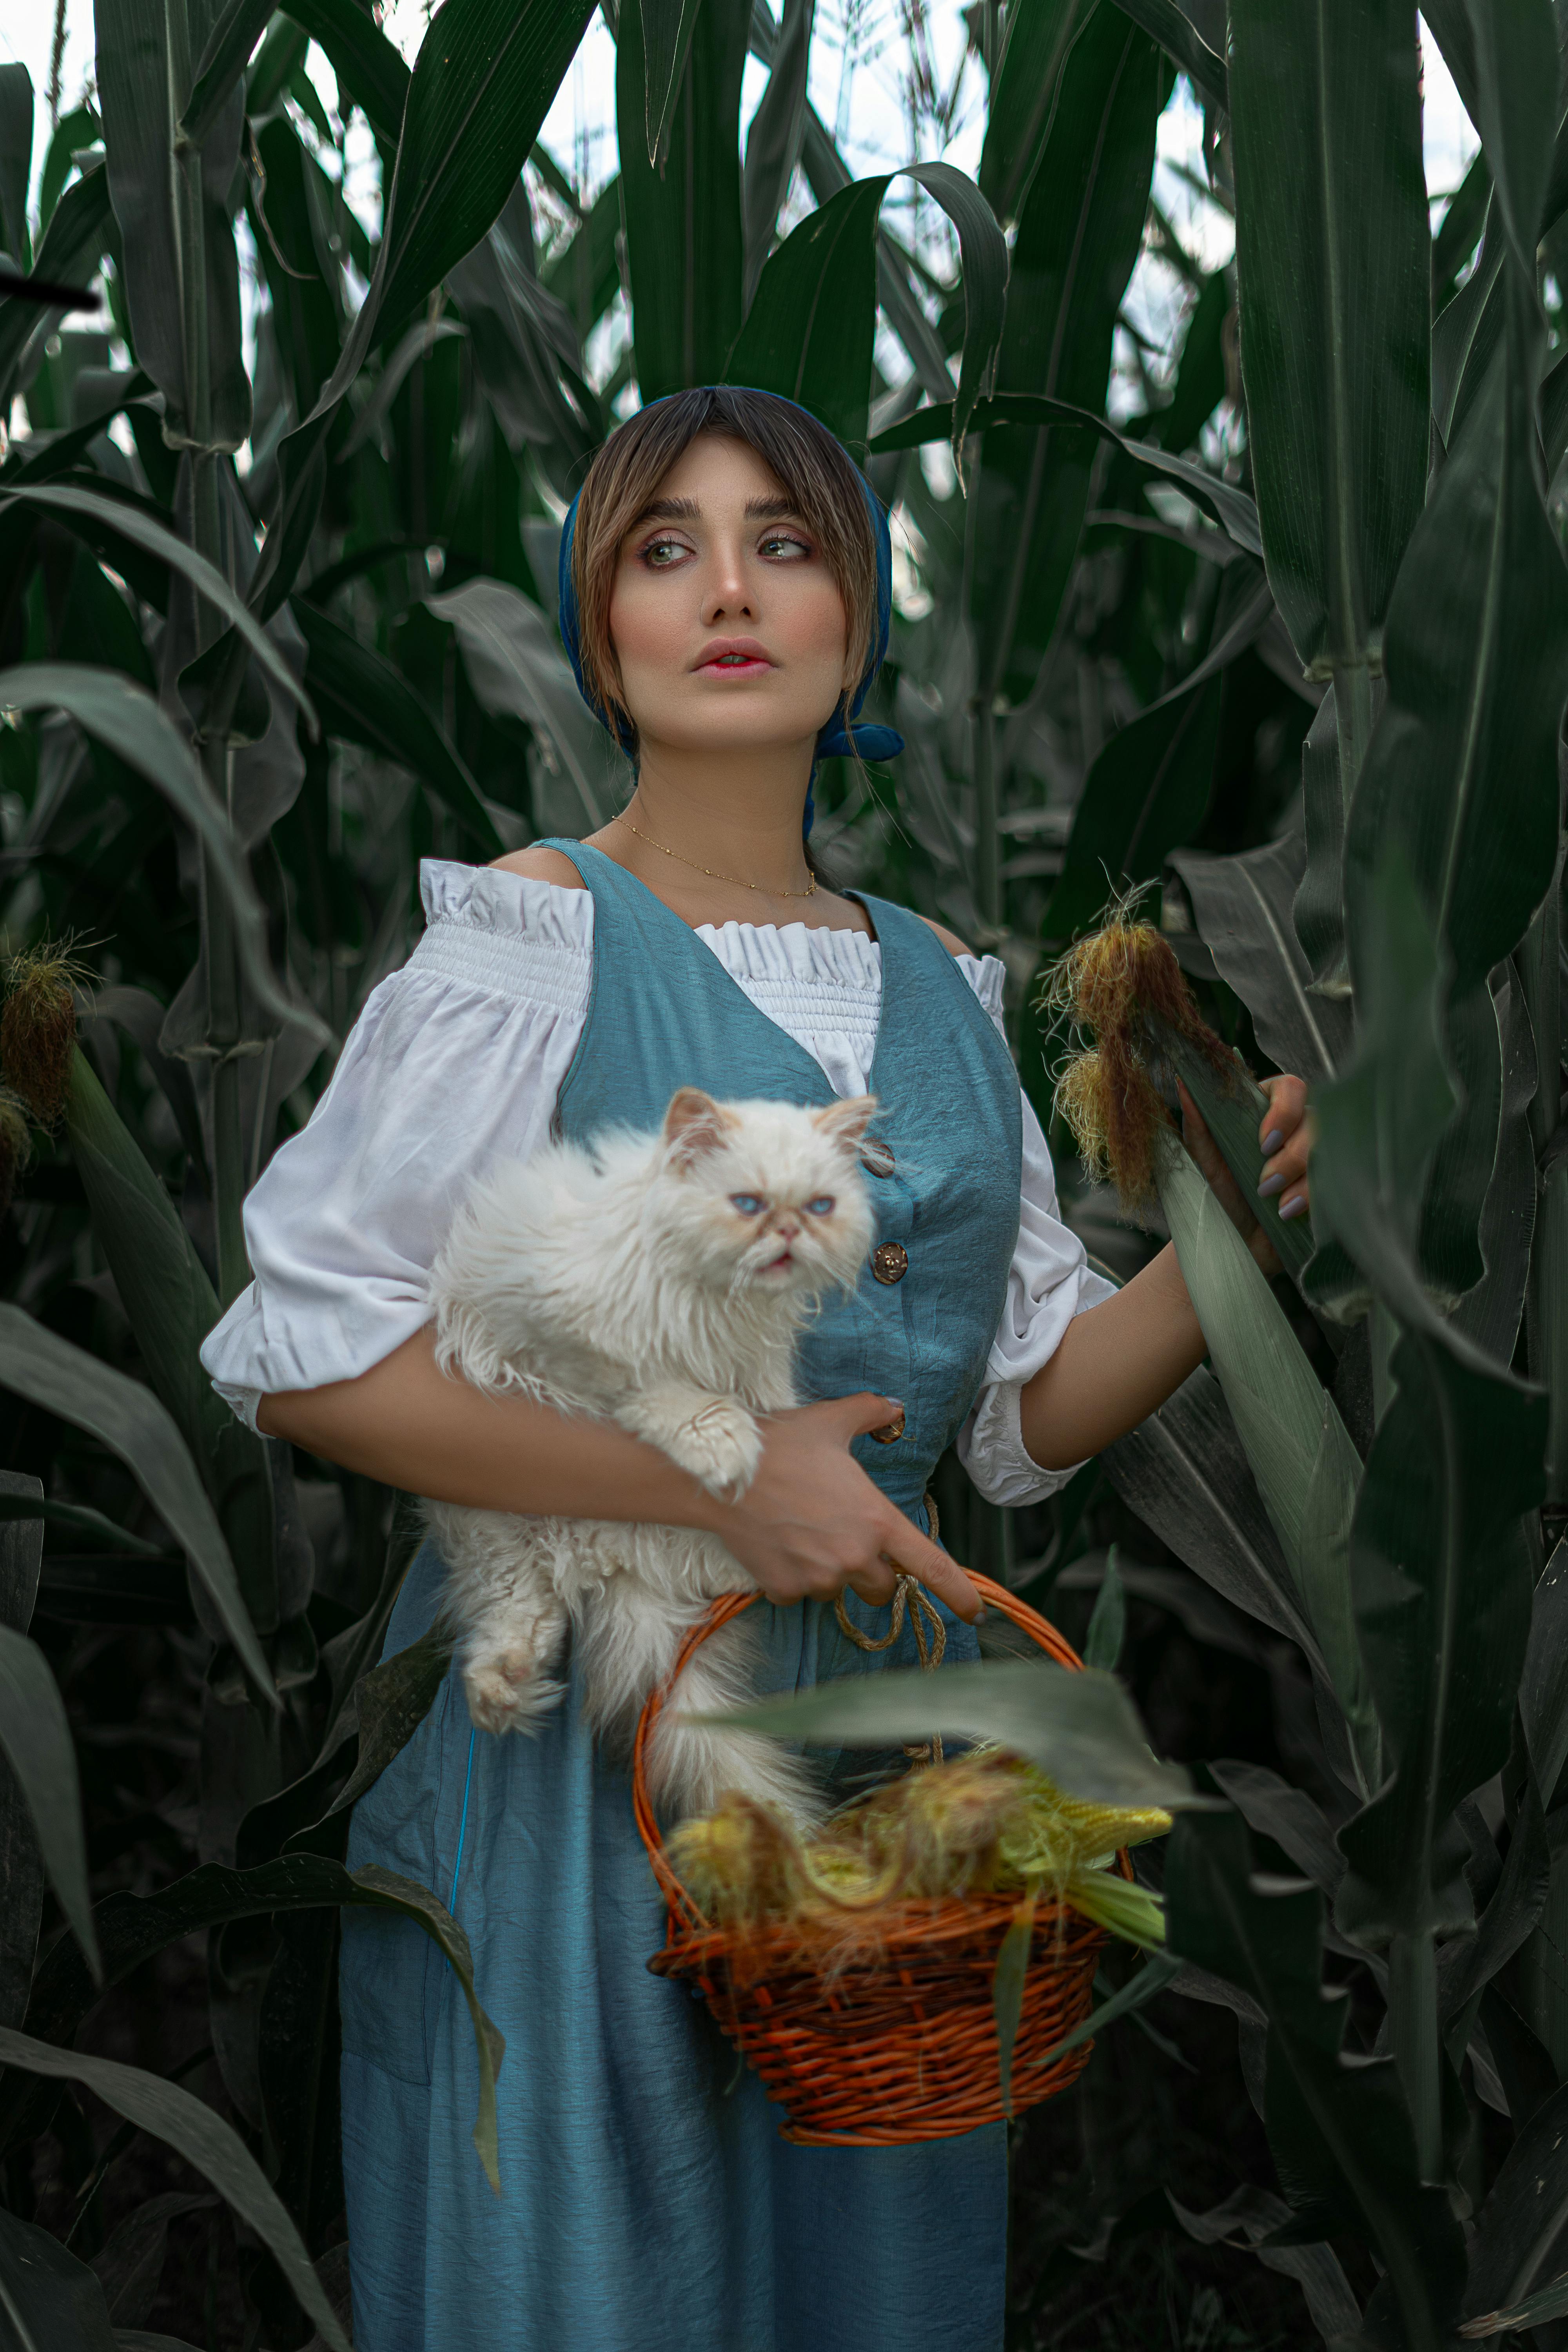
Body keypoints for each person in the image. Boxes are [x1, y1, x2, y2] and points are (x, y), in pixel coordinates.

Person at [200, 387, 1311, 2352]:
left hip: (886, 1825)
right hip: (572, 1779)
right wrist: (726, 1479)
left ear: (859, 615)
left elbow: (1021, 1410)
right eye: (664, 549)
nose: (728, 591)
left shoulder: (944, 984)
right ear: (601, 625)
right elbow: (304, 1357)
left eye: (784, 544)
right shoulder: (529, 944)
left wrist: (1241, 1237)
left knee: (860, 2299)